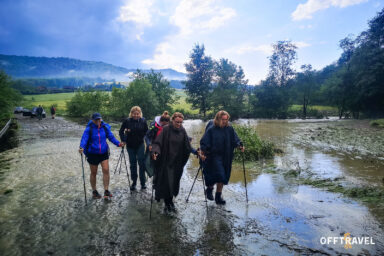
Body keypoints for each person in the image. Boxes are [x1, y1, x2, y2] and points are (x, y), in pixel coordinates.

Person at [151, 112, 198, 212]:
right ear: (173, 120)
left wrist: (196, 152)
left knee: (174, 182)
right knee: (167, 182)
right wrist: (155, 152)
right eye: (177, 122)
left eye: (181, 122)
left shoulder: (182, 131)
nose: (179, 124)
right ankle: (168, 203)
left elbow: (187, 146)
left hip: (177, 162)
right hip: (166, 161)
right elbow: (158, 143)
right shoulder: (166, 129)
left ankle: (170, 201)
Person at [199, 110, 244, 205]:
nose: (225, 121)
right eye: (223, 119)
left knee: (224, 177)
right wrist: (203, 151)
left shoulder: (229, 128)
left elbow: (235, 139)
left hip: (226, 156)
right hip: (214, 156)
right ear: (218, 119)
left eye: (227, 119)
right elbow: (204, 142)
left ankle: (218, 196)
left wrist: (239, 145)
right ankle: (210, 189)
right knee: (219, 175)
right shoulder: (212, 129)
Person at [79, 112, 124, 199]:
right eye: (96, 120)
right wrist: (81, 147)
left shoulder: (105, 127)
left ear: (101, 119)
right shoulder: (89, 129)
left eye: (99, 119)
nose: (98, 121)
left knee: (106, 170)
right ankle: (94, 191)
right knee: (94, 173)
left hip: (103, 152)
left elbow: (111, 137)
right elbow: (84, 138)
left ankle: (106, 191)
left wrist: (118, 144)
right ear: (92, 120)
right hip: (92, 153)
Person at [119, 106, 148, 191]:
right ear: (131, 114)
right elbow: (121, 131)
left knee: (141, 164)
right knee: (133, 164)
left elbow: (147, 132)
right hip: (130, 146)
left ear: (140, 114)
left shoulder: (143, 121)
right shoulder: (127, 121)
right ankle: (134, 183)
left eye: (137, 114)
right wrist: (123, 140)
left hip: (140, 145)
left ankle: (143, 183)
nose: (136, 115)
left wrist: (149, 143)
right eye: (134, 114)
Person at [144, 111, 170, 178]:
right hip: (153, 147)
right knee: (150, 164)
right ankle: (155, 180)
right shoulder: (153, 126)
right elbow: (147, 136)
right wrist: (149, 144)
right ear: (161, 122)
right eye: (164, 125)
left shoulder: (170, 125)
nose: (165, 126)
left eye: (166, 125)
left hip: (164, 148)